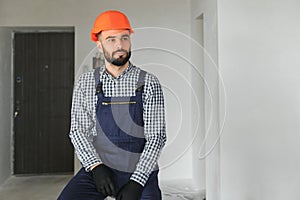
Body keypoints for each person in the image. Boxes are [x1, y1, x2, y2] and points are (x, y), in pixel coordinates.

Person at [58, 10, 166, 200]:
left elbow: (156, 137)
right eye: (111, 39)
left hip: (140, 170)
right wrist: (96, 167)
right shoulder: (86, 83)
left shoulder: (148, 82)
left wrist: (137, 182)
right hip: (101, 167)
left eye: (124, 38)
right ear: (99, 45)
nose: (120, 45)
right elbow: (78, 131)